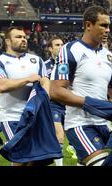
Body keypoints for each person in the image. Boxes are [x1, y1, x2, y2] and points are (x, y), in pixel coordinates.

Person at [50, 6, 112, 166]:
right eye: (103, 25)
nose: (108, 30)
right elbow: (56, 90)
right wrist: (90, 104)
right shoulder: (70, 50)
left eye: (109, 26)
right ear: (88, 25)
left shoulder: (109, 56)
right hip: (80, 124)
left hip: (104, 124)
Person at [0, 26, 50, 166]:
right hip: (12, 118)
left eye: (24, 37)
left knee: (35, 159)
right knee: (20, 159)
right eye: (18, 37)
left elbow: (45, 79)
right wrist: (28, 79)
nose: (23, 39)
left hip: (35, 117)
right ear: (8, 41)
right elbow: (2, 86)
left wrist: (45, 96)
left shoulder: (36, 60)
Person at [45, 37, 67, 165]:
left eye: (62, 45)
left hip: (70, 104)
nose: (60, 47)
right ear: (50, 48)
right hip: (53, 105)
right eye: (57, 45)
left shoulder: (68, 64)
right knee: (59, 134)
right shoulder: (44, 65)